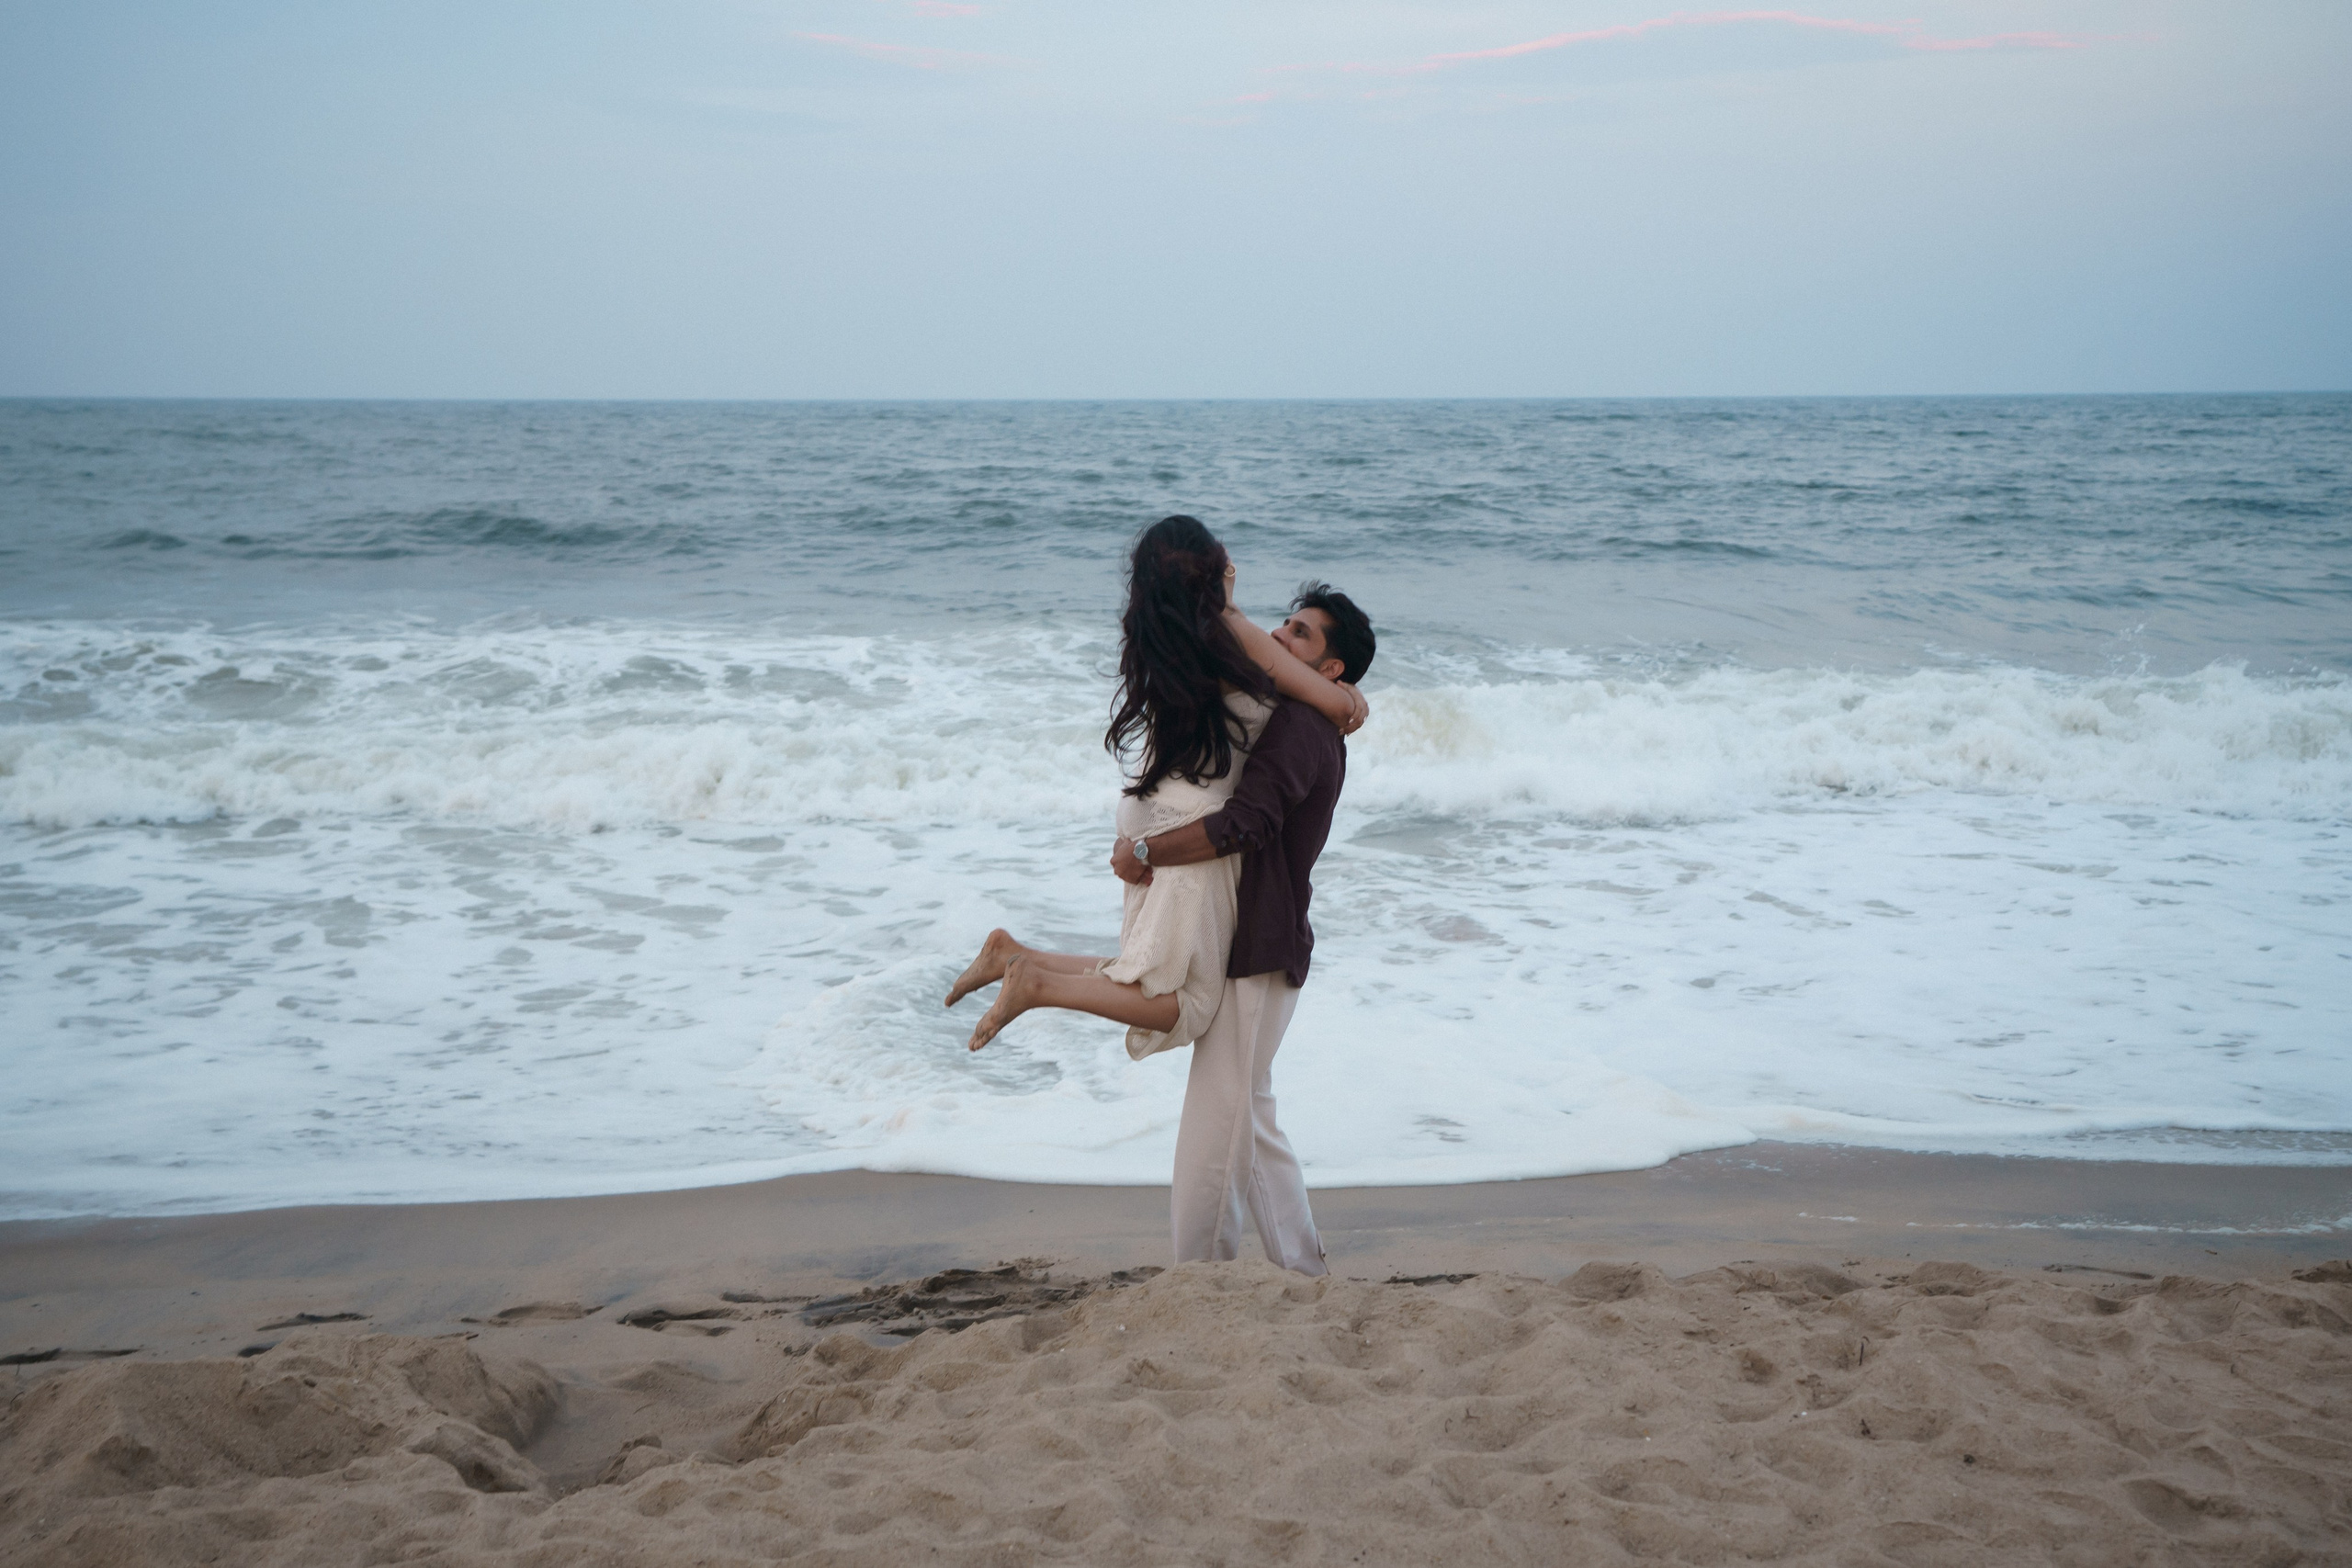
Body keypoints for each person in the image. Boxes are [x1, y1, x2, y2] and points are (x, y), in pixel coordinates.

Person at [945, 515, 1364, 1070]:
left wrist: (1226, 590)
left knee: (1142, 971)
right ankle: (1037, 985)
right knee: (1189, 1002)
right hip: (1192, 827)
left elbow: (1238, 618)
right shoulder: (1235, 637)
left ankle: (1014, 956)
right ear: (1213, 573)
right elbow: (1334, 705)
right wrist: (1353, 699)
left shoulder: (1173, 635)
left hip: (1148, 814)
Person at [1110, 581, 1374, 1276]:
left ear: (1331, 669)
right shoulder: (1303, 715)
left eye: (1301, 634)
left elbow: (1244, 824)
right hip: (1265, 937)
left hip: (1260, 941)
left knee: (1216, 1121)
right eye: (1285, 623)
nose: (1280, 637)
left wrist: (1146, 852)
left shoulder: (1302, 727)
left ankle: (1197, 1275)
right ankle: (1304, 1270)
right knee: (1249, 1115)